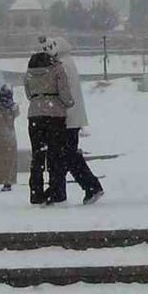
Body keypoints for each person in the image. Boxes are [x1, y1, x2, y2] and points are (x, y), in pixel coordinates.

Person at [43, 36, 104, 204]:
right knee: (65, 155)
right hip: (72, 117)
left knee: (65, 155)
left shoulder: (62, 65)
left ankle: (90, 187)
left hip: (65, 117)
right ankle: (59, 190)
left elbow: (61, 91)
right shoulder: (69, 63)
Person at [24, 50, 74, 205]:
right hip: (55, 116)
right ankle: (56, 191)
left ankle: (36, 192)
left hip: (35, 115)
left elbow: (28, 94)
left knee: (37, 155)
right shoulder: (57, 70)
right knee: (55, 155)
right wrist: (69, 103)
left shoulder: (28, 73)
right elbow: (65, 93)